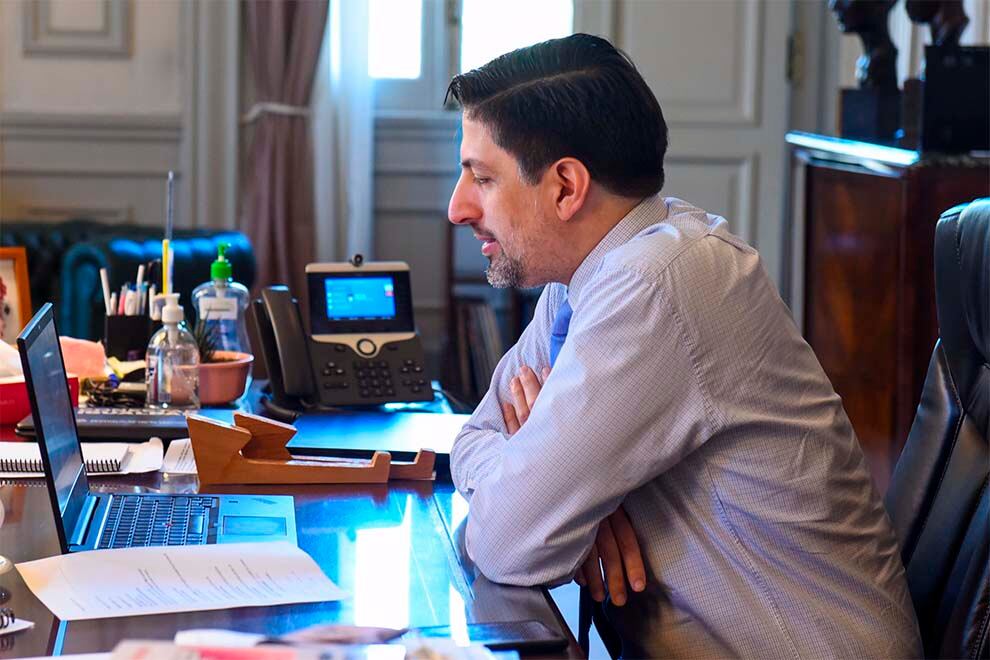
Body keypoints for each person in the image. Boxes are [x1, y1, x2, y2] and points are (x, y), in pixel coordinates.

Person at [445, 33, 922, 658]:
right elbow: (471, 442)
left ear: (565, 186)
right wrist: (552, 493)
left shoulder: (654, 285)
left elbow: (507, 540)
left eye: (481, 178)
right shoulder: (583, 279)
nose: (457, 208)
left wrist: (551, 501)